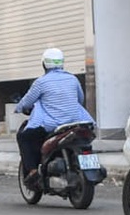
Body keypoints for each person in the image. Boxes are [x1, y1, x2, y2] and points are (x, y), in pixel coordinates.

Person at [15, 47, 93, 185]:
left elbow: (27, 102)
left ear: (44, 64)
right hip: (76, 123)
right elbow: (80, 100)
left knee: (24, 136)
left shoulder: (41, 82)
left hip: (53, 126)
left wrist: (19, 107)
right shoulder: (73, 79)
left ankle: (33, 171)